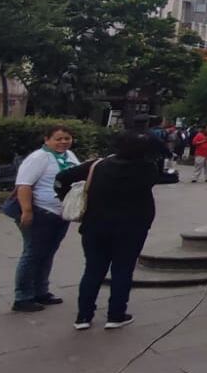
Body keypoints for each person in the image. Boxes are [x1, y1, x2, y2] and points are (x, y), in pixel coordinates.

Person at [57, 131, 164, 330]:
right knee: (123, 270)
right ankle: (116, 314)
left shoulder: (98, 165)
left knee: (93, 270)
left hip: (96, 225)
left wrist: (65, 196)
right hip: (131, 228)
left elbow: (62, 178)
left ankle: (83, 316)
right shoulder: (148, 169)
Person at [9, 125, 81, 312]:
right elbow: (24, 185)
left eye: (67, 138)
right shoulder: (39, 158)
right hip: (41, 212)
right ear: (47, 140)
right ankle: (23, 296)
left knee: (48, 253)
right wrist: (27, 211)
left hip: (60, 214)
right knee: (33, 254)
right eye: (58, 139)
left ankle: (41, 291)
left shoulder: (69, 156)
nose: (63, 142)